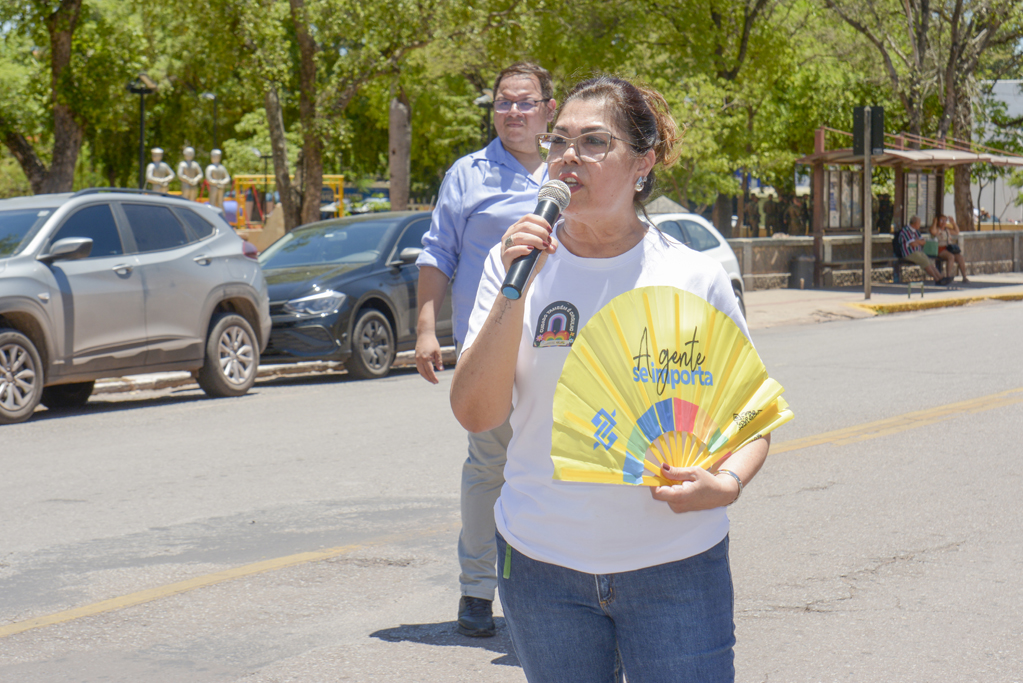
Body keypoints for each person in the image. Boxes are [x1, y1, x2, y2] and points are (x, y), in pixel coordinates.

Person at [450, 75, 770, 681]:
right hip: (541, 565)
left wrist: (726, 484)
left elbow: (751, 415)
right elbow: (477, 413)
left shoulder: (693, 276)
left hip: (676, 564)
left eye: (594, 141)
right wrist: (516, 288)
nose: (569, 156)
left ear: (642, 164)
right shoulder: (512, 263)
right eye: (559, 140)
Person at [414, 62, 556, 638]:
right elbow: (437, 253)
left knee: (558, 463)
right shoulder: (468, 174)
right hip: (489, 342)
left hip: (561, 342)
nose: (513, 112)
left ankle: (554, 589)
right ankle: (477, 590)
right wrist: (426, 329)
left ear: (549, 108)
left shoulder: (570, 167)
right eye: (503, 102)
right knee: (489, 465)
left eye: (525, 102)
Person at [900, 215, 952, 286]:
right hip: (909, 253)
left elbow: (923, 242)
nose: (920, 225)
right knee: (925, 261)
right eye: (919, 223)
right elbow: (913, 244)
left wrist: (917, 241)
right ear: (914, 223)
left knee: (930, 261)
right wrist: (918, 242)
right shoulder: (906, 231)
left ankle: (941, 278)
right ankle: (937, 279)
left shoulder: (916, 231)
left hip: (918, 251)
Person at [931, 215, 969, 282]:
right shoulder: (937, 229)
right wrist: (934, 222)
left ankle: (964, 277)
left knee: (960, 258)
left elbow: (957, 232)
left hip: (949, 248)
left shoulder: (947, 230)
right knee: (951, 257)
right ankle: (948, 276)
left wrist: (953, 223)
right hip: (940, 249)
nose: (943, 222)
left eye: (945, 220)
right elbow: (933, 231)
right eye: (941, 220)